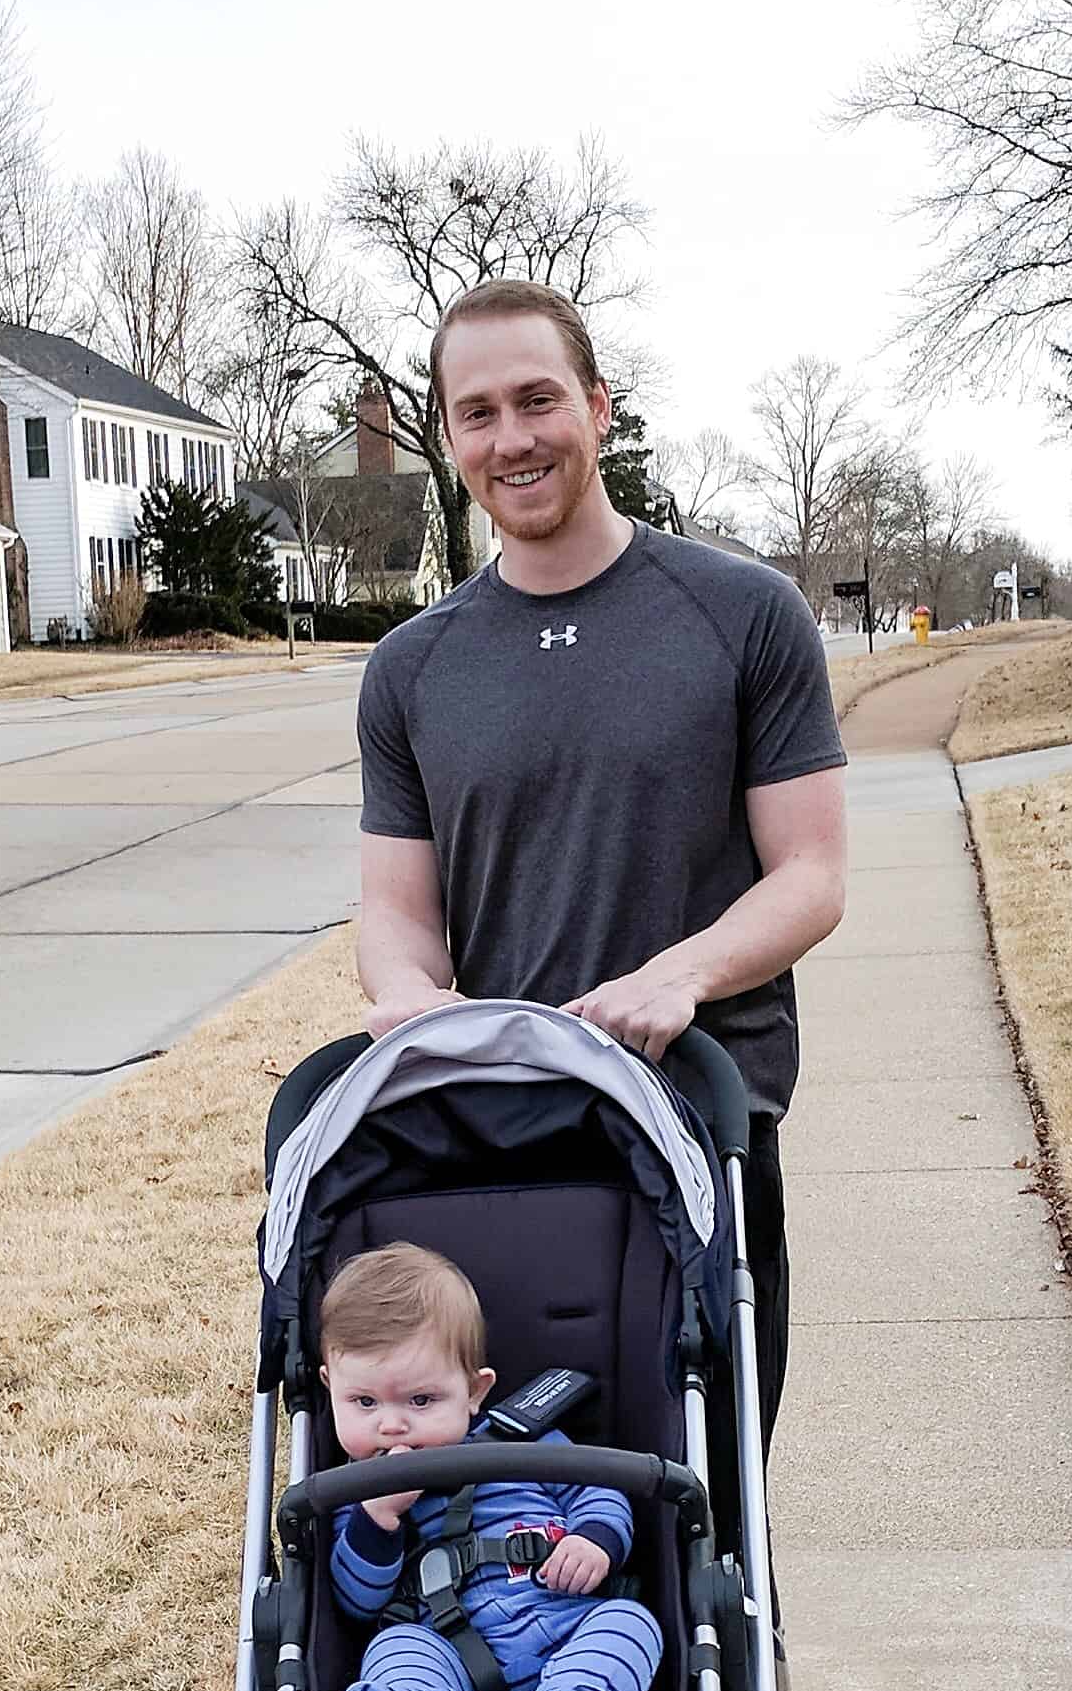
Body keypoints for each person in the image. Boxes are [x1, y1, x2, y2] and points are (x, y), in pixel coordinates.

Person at [351, 280, 846, 1427]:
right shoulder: (413, 667)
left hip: (699, 1135)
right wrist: (410, 995)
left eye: (538, 400)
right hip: (491, 1146)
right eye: (476, 412)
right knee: (490, 1505)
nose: (511, 438)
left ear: (600, 406)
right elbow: (394, 906)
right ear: (447, 433)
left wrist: (683, 974)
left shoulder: (743, 614)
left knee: (706, 1524)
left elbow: (812, 874)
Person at [320, 1243, 662, 1691]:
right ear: (330, 1389)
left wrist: (593, 1539)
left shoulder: (523, 1444)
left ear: (474, 1392)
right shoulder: (354, 1493)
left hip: (563, 1618)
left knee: (631, 1623)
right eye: (364, 1403)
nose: (391, 1426)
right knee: (394, 1651)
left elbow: (598, 1489)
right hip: (444, 1646)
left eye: (421, 1401)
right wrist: (379, 1517)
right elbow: (358, 1601)